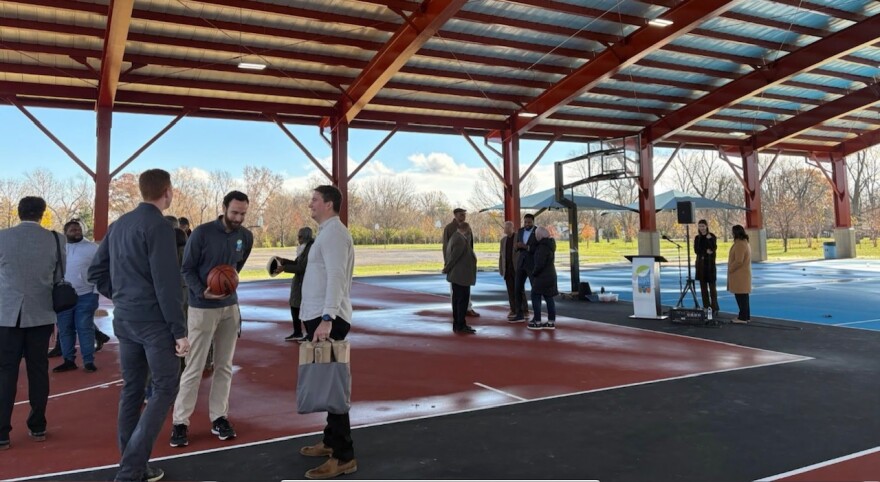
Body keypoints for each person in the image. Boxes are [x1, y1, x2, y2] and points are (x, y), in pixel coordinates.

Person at [88, 168, 189, 482]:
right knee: (166, 387)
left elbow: (96, 272)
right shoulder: (158, 226)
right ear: (167, 192)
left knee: (132, 390)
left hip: (126, 319)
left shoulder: (119, 225)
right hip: (154, 323)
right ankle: (131, 468)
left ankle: (132, 464)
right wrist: (179, 330)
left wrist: (121, 296)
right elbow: (166, 282)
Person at [171, 191, 253, 448]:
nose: (238, 218)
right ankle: (180, 422)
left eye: (243, 213)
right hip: (202, 309)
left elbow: (235, 270)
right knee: (193, 367)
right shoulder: (202, 233)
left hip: (230, 309)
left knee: (224, 366)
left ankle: (219, 417)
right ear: (224, 208)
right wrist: (202, 291)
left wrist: (226, 287)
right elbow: (186, 268)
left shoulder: (245, 237)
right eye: (235, 212)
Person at [297, 185, 357, 480]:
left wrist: (327, 318)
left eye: (315, 200)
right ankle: (331, 440)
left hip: (327, 320)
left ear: (329, 204)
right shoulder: (327, 232)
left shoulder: (334, 234)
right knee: (326, 382)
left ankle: (344, 456)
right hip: (320, 317)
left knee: (333, 387)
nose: (311, 203)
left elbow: (335, 276)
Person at [0, 197, 60, 451]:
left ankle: (2, 433)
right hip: (41, 313)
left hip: (6, 314)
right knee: (38, 370)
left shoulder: (2, 237)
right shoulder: (56, 239)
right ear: (42, 214)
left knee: (5, 372)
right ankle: (38, 425)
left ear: (19, 212)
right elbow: (59, 276)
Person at [52, 220, 100, 374]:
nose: (76, 231)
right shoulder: (58, 248)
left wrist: (95, 291)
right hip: (63, 297)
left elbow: (102, 269)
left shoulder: (92, 248)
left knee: (84, 328)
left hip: (86, 295)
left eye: (78, 229)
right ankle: (68, 360)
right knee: (65, 329)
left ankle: (88, 361)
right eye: (72, 229)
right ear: (65, 232)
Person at [276, 227, 314, 342]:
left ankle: (310, 334)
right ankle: (298, 332)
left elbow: (302, 267)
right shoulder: (304, 248)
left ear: (306, 237)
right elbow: (297, 262)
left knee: (304, 308)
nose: (298, 239)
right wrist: (284, 261)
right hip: (299, 282)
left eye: (300, 236)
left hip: (305, 282)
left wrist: (284, 268)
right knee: (294, 305)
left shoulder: (310, 249)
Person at [441, 208, 479, 317]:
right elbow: (446, 247)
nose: (463, 216)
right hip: (454, 264)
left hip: (466, 263)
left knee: (466, 289)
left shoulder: (467, 227)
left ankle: (467, 307)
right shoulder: (449, 228)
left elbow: (470, 245)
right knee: (456, 290)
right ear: (455, 215)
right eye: (461, 214)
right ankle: (457, 311)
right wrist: (447, 263)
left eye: (464, 215)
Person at [444, 221, 477, 334]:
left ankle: (458, 323)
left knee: (457, 299)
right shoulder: (459, 239)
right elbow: (454, 257)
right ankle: (460, 324)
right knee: (462, 300)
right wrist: (447, 268)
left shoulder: (455, 237)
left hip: (458, 276)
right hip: (461, 276)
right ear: (466, 229)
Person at [528, 226, 558, 330]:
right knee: (549, 298)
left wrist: (534, 273)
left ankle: (537, 321)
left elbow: (539, 264)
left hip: (542, 276)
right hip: (551, 275)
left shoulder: (542, 247)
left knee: (535, 296)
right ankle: (551, 321)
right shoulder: (550, 245)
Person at [510, 213, 537, 322]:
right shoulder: (520, 231)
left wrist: (526, 247)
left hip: (532, 264)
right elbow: (516, 246)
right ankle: (519, 314)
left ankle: (537, 315)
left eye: (529, 222)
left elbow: (538, 248)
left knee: (535, 290)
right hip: (521, 263)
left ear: (533, 222)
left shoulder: (537, 231)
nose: (527, 224)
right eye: (525, 222)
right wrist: (516, 246)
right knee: (517, 288)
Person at [499, 221, 526, 320]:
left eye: (506, 228)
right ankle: (513, 309)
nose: (505, 230)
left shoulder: (518, 237)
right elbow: (501, 256)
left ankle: (524, 310)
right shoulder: (503, 240)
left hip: (517, 268)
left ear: (512, 228)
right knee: (510, 290)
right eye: (504, 228)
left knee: (519, 290)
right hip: (508, 269)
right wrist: (501, 269)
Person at [694, 219, 719, 316]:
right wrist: (705, 251)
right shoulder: (697, 238)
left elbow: (713, 248)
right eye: (700, 226)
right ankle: (706, 306)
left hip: (710, 265)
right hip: (701, 265)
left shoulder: (712, 236)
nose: (701, 228)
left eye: (703, 226)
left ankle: (715, 307)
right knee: (703, 288)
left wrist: (709, 240)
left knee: (712, 288)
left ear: (706, 226)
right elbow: (697, 250)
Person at [727, 224, 752, 324]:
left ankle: (742, 318)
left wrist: (730, 269)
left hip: (739, 275)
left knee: (741, 296)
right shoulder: (744, 243)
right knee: (744, 297)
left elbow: (738, 261)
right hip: (743, 274)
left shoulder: (740, 244)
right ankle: (746, 316)